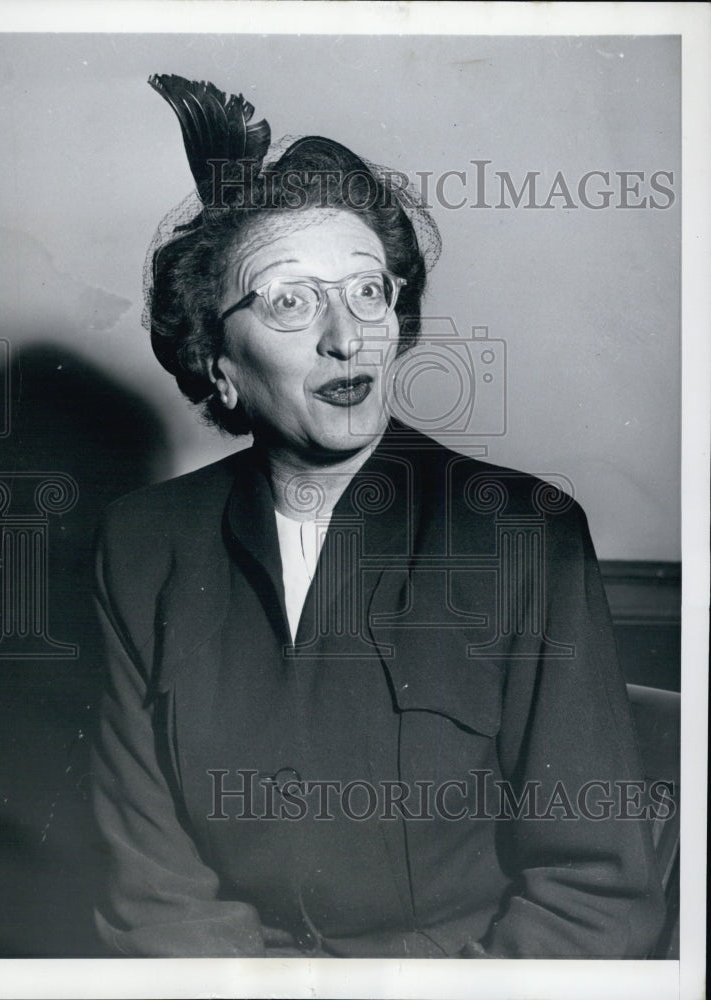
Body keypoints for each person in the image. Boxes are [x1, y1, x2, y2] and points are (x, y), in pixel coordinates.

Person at [91, 75, 666, 958]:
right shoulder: (142, 547)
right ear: (217, 364)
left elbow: (592, 894)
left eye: (368, 291)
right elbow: (153, 892)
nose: (346, 335)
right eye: (289, 300)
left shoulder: (526, 532)